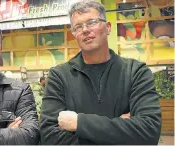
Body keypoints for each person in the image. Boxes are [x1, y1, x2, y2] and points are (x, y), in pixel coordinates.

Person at [40, 0, 162, 145]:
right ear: (74, 34)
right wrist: (119, 131)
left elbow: (149, 131)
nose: (85, 30)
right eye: (78, 27)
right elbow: (50, 137)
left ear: (108, 27)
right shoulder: (59, 76)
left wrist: (80, 123)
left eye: (92, 22)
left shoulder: (136, 72)